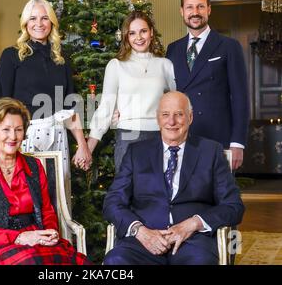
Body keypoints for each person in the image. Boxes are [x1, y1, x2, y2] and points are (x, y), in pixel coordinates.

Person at [103, 91, 244, 265]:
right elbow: (113, 202)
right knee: (116, 261)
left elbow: (233, 206)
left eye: (179, 114)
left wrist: (193, 224)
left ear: (190, 117)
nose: (171, 122)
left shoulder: (211, 152)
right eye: (165, 115)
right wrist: (140, 231)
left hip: (192, 241)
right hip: (143, 240)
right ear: (158, 118)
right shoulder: (136, 153)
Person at [0, 97, 90, 265]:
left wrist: (49, 233)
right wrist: (20, 238)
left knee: (77, 263)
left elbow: (47, 211)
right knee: (31, 262)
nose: (13, 137)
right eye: (6, 130)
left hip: (35, 237)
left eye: (18, 129)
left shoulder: (34, 166)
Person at [0, 0, 91, 187]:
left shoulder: (62, 58)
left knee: (56, 195)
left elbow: (69, 108)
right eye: (32, 18)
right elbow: (2, 107)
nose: (38, 24)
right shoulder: (11, 56)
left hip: (58, 136)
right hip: (23, 138)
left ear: (52, 22)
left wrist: (83, 146)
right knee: (25, 197)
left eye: (44, 18)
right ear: (25, 23)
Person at [166, 0, 250, 171]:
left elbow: (240, 97)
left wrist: (237, 143)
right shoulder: (172, 49)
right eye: (189, 7)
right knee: (187, 196)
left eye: (200, 6)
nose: (195, 12)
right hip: (183, 137)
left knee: (221, 197)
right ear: (182, 11)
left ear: (209, 10)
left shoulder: (229, 46)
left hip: (218, 138)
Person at [87, 11, 176, 173]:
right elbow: (106, 107)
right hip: (128, 138)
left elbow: (177, 103)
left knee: (160, 193)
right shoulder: (116, 65)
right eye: (132, 33)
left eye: (143, 31)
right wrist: (88, 148)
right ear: (126, 37)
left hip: (160, 137)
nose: (139, 37)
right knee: (128, 193)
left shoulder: (166, 65)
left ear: (151, 32)